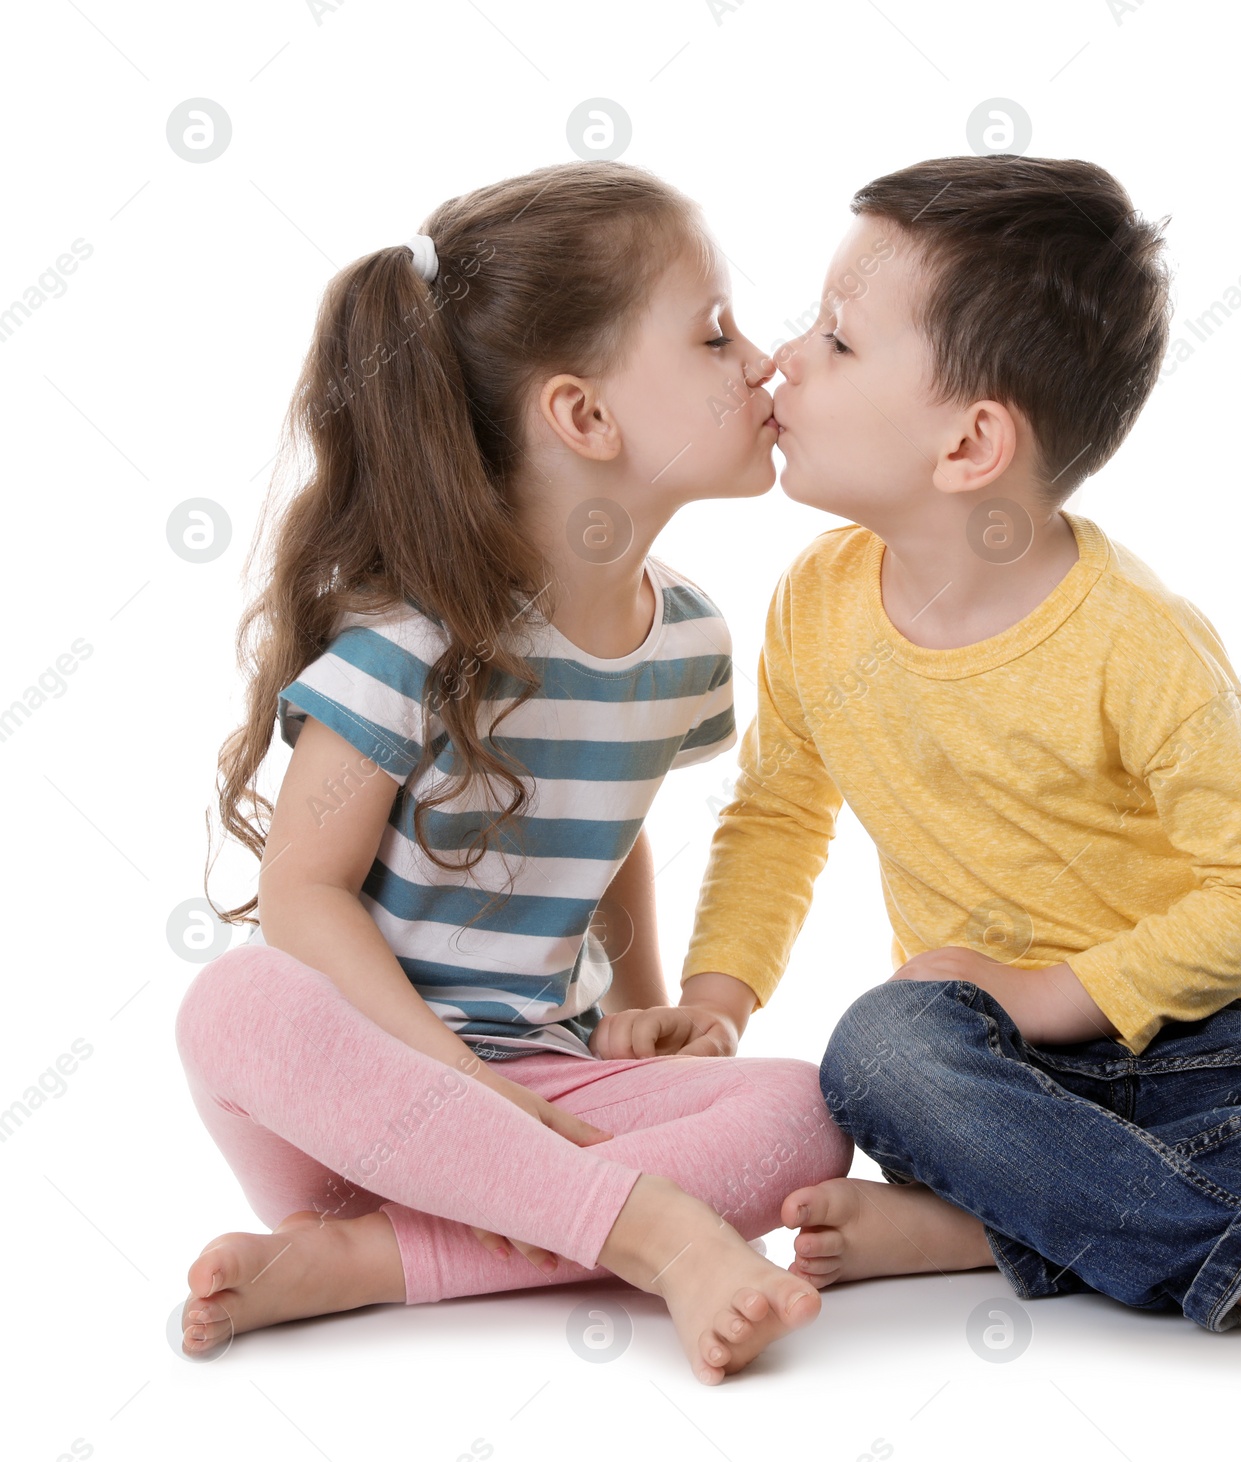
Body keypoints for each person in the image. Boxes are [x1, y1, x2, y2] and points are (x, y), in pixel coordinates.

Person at [641, 155, 1241, 1368]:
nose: (781, 359)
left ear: (971, 443)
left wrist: (1044, 989)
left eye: (836, 340)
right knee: (877, 1052)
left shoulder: (1134, 639)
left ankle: (999, 1226)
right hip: (990, 1080)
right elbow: (777, 816)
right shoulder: (815, 605)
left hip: (1208, 1057)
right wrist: (716, 996)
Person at [175, 160, 851, 1386]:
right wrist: (449, 1084)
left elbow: (610, 836)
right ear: (584, 417)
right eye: (713, 335)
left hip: (548, 1087)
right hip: (373, 1095)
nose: (762, 360)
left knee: (805, 1105)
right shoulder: (408, 641)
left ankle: (370, 1264)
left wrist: (643, 1013)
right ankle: (653, 1237)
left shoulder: (685, 639)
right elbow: (302, 895)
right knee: (232, 1006)